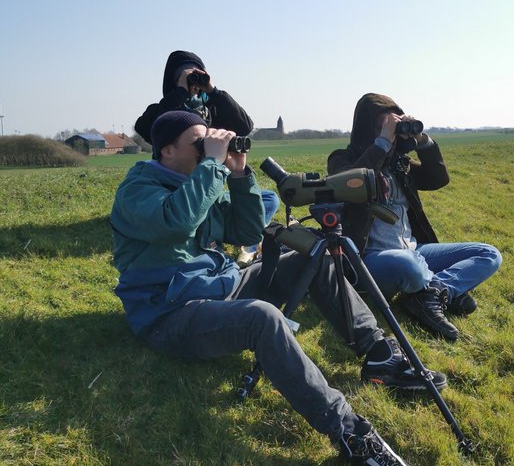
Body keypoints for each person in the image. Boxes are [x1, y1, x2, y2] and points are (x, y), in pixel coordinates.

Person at [111, 110, 447, 465]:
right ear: (166, 151)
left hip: (218, 286)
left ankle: (380, 355)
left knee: (310, 255)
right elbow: (176, 223)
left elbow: (247, 232)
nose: (207, 147)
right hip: (169, 312)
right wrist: (212, 165)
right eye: (198, 142)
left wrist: (240, 176)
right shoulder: (137, 191)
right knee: (262, 318)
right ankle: (348, 432)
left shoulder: (197, 182)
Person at [327, 93, 502, 341]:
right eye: (380, 127)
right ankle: (441, 290)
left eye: (392, 127)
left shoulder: (399, 163)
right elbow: (353, 183)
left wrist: (424, 142)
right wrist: (381, 144)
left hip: (414, 250)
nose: (388, 133)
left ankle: (433, 293)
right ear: (366, 129)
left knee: (489, 254)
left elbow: (437, 179)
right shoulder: (341, 159)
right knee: (409, 267)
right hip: (369, 258)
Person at [134, 49, 278, 263]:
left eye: (198, 74)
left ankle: (245, 242)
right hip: (173, 190)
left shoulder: (211, 108)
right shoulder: (161, 110)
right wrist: (180, 93)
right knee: (193, 215)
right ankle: (222, 238)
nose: (194, 80)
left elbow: (244, 126)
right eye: (186, 75)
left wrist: (213, 91)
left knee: (269, 198)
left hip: (211, 190)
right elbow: (152, 127)